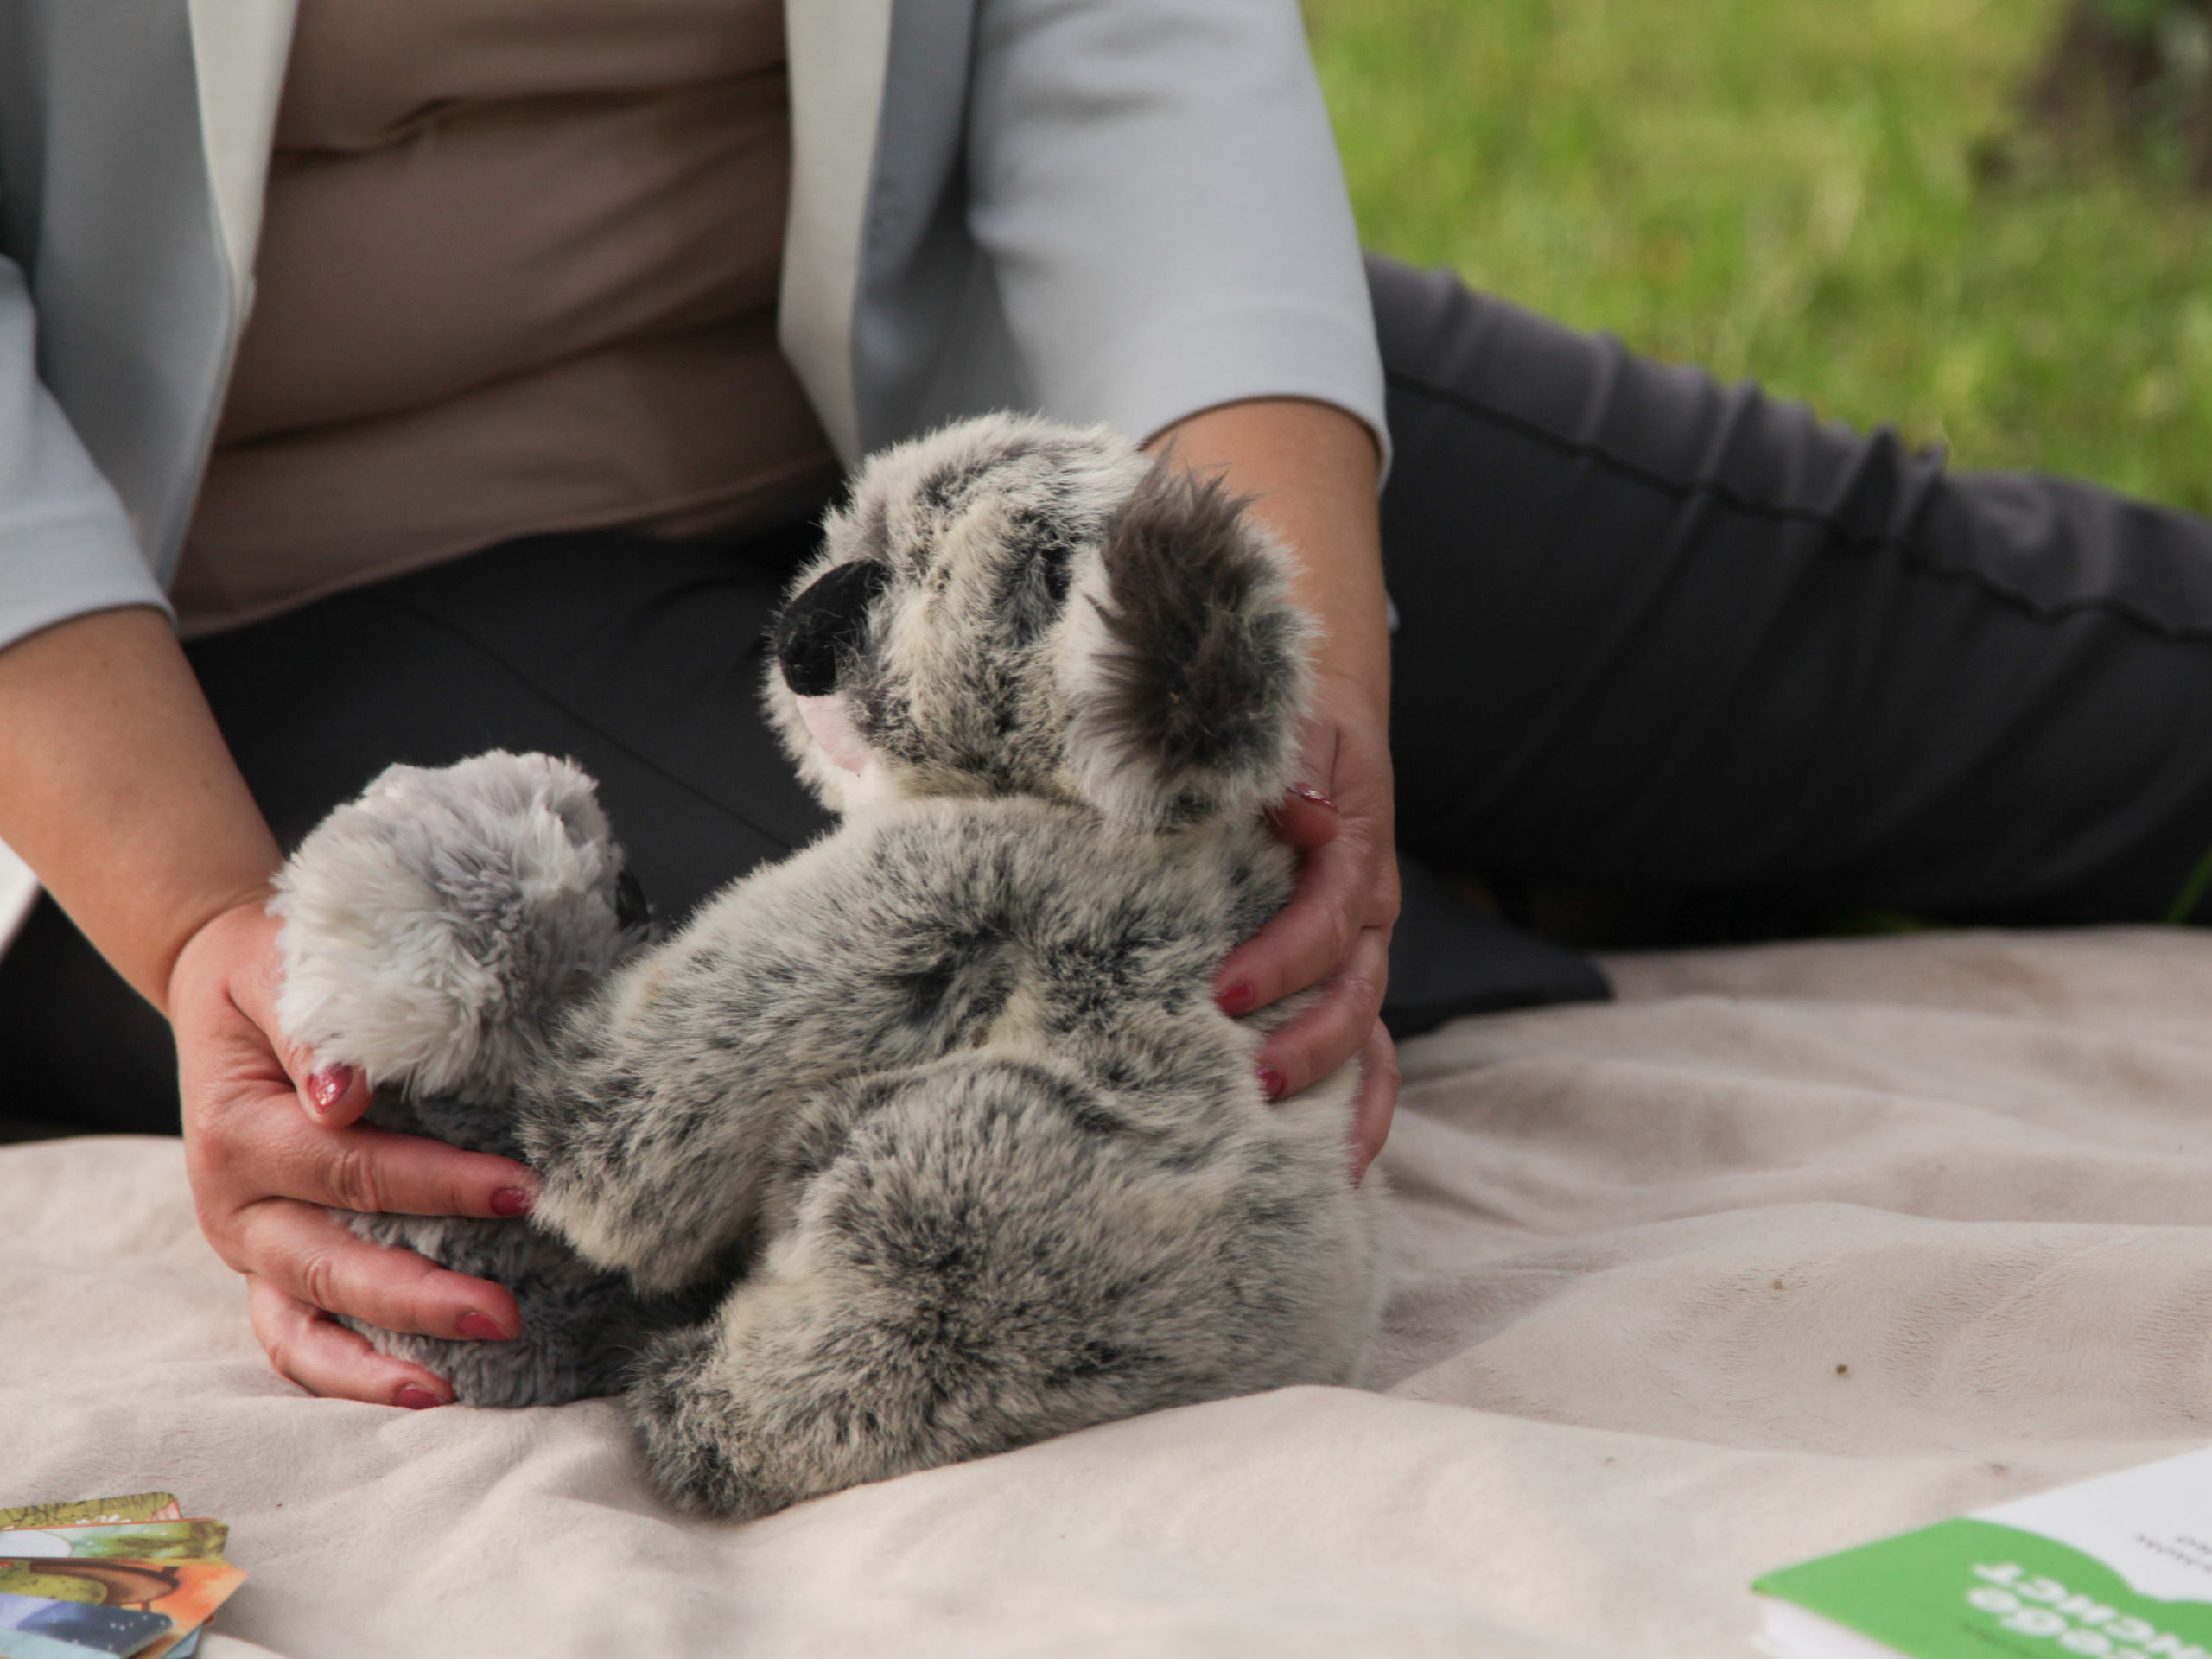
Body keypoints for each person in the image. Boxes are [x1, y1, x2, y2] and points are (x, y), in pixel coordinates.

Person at [6, 0, 2212, 1413]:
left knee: (1992, 675)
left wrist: (1297, 675)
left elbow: (1124, 44)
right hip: (223, 629)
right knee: (1012, 1061)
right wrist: (199, 916)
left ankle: (1526, 854)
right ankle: (1535, 893)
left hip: (969, 430)